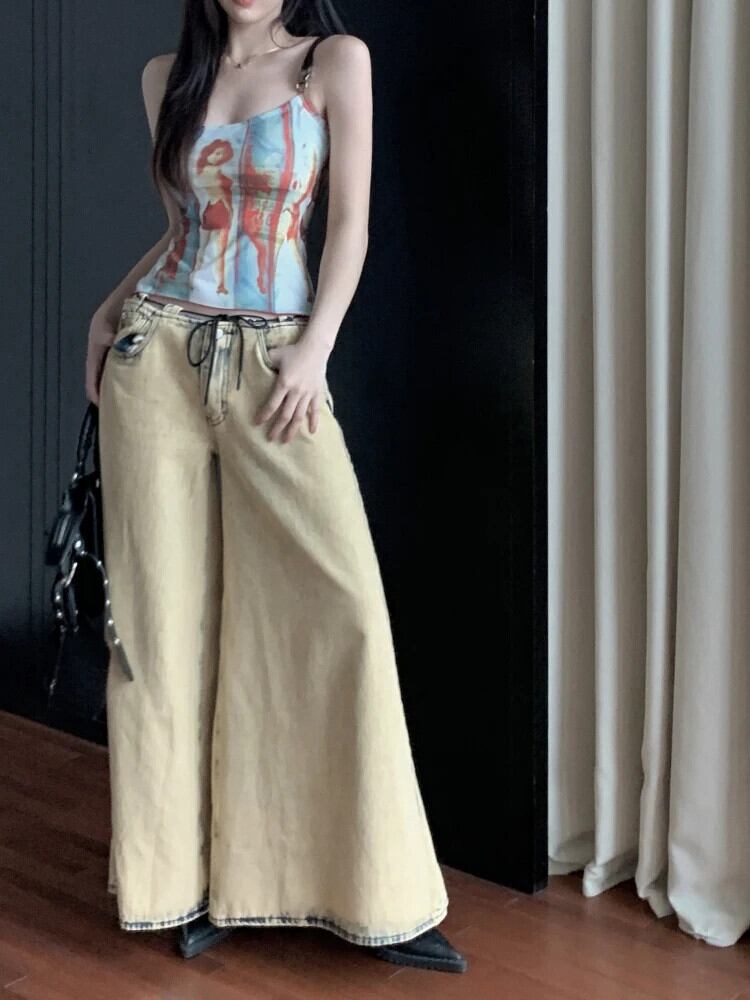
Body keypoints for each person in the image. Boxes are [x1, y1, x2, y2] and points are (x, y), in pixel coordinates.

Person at [86, 0, 467, 975]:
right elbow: (182, 225)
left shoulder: (333, 61)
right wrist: (105, 310)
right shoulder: (166, 76)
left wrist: (315, 350)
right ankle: (174, 884)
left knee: (346, 605)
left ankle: (374, 891)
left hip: (274, 363)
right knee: (160, 627)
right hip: (157, 356)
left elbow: (351, 226)